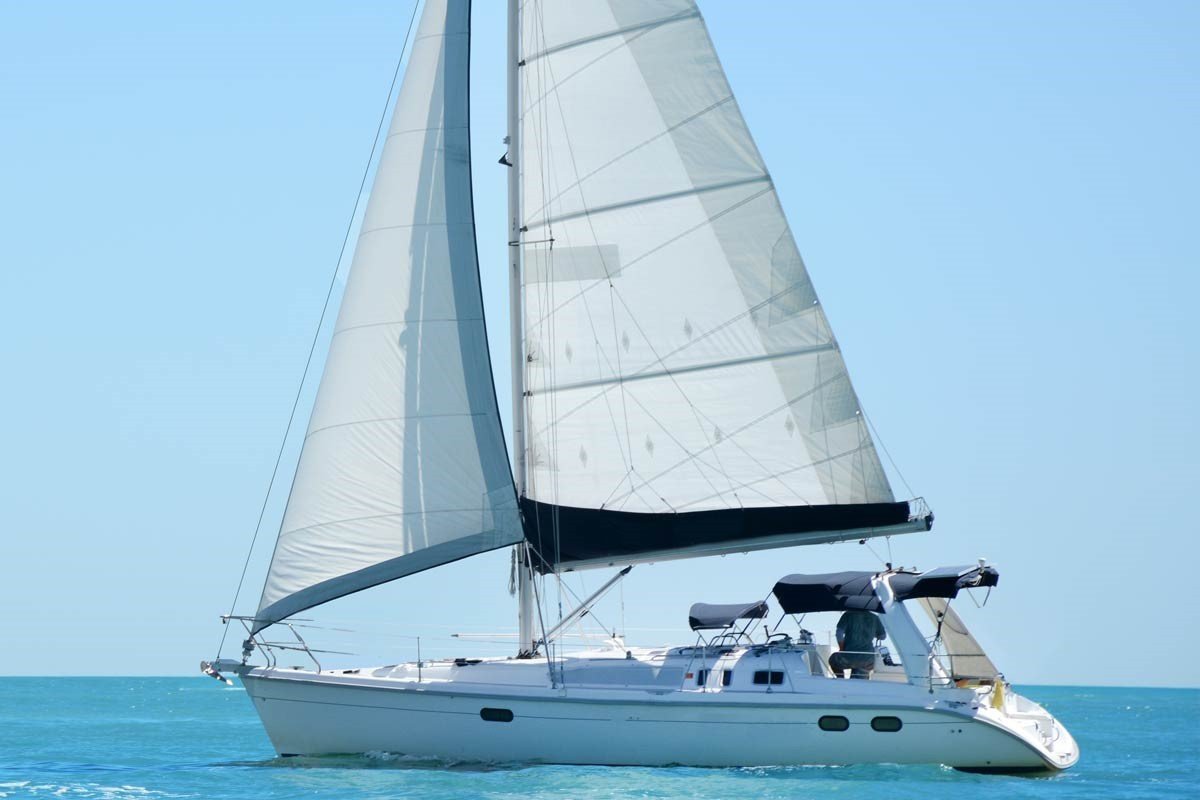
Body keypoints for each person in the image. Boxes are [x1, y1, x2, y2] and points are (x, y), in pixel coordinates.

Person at [828, 610, 886, 678]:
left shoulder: (848, 615)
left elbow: (839, 634)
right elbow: (883, 636)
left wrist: (841, 648)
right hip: (868, 658)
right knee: (857, 680)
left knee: (833, 660)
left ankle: (841, 679)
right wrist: (871, 633)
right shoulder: (875, 618)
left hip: (850, 656)